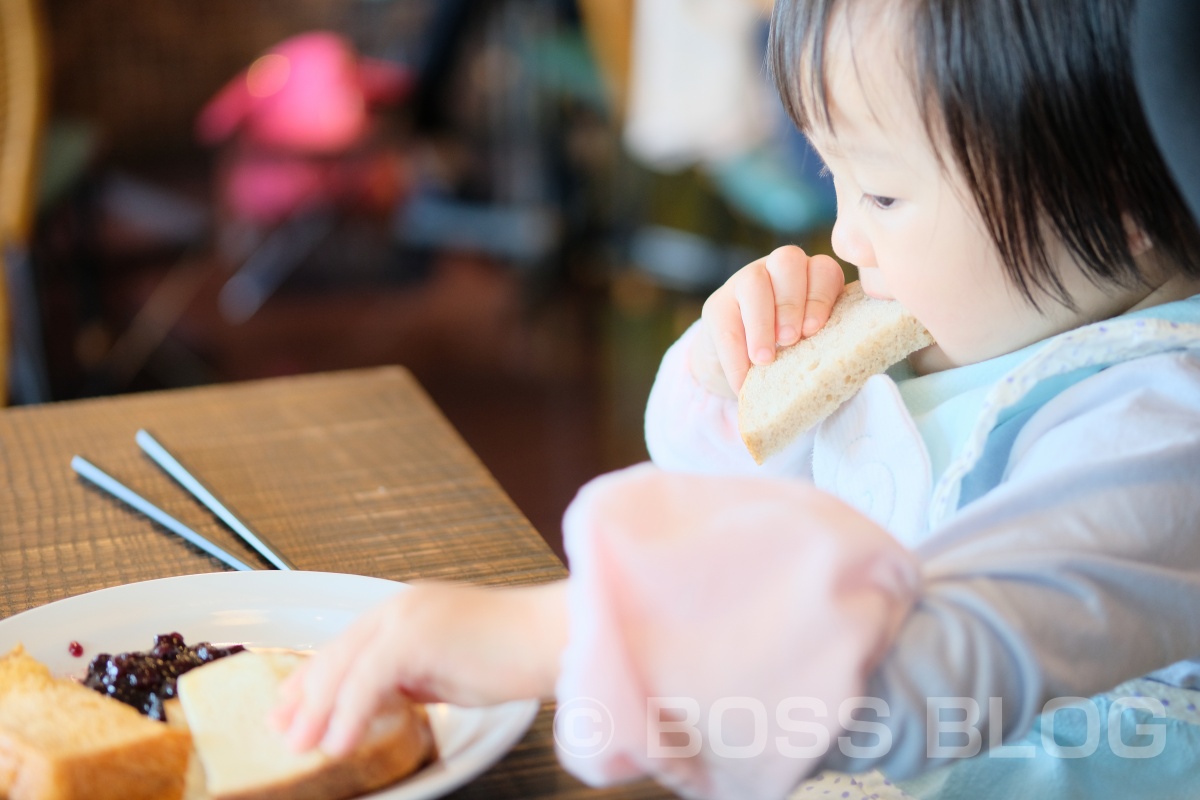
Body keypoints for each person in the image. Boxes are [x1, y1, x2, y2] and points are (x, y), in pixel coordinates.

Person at [273, 0, 1200, 797]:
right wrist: (731, 373)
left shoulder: (1163, 428)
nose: (843, 234)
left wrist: (552, 636)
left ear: (1119, 190)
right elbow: (719, 492)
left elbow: (936, 666)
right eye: (833, 178)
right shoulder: (973, 328)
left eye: (880, 193)